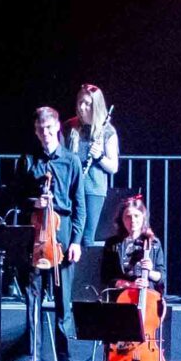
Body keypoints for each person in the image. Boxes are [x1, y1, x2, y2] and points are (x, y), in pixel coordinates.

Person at [19, 106, 84, 361]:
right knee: (32, 296)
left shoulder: (71, 161)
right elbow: (16, 196)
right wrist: (34, 202)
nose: (45, 133)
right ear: (35, 131)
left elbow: (79, 204)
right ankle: (33, 355)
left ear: (57, 127)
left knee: (62, 298)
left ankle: (64, 358)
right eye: (40, 129)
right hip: (36, 234)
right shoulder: (27, 160)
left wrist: (76, 240)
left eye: (48, 128)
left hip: (62, 231)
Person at [69, 84, 120, 257]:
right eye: (80, 102)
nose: (82, 107)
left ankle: (84, 273)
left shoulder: (107, 131)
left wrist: (99, 156)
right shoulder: (70, 127)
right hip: (71, 188)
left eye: (87, 104)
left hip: (93, 190)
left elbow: (113, 167)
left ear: (96, 106)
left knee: (86, 237)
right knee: (70, 235)